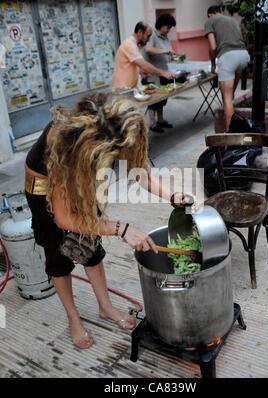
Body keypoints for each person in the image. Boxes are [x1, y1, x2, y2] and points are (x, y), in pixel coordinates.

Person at [24, 92, 193, 350]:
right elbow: (65, 218)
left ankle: (105, 307)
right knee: (58, 256)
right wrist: (121, 228)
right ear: (101, 148)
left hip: (80, 176)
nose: (124, 156)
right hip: (44, 186)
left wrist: (173, 195)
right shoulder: (61, 144)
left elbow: (141, 172)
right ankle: (73, 317)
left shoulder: (113, 122)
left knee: (91, 247)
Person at [204, 5, 250, 129]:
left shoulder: (210, 20)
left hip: (228, 57)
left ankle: (230, 135)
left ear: (210, 14)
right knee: (231, 95)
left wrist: (213, 64)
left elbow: (213, 47)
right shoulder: (232, 20)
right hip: (244, 55)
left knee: (227, 98)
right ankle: (234, 123)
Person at [111, 21, 175, 89]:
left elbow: (132, 63)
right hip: (122, 89)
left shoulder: (134, 44)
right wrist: (164, 73)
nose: (148, 40)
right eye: (148, 36)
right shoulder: (129, 45)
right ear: (140, 32)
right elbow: (144, 65)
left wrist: (140, 71)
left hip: (129, 88)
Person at [143, 14, 177, 133]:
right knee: (154, 99)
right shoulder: (152, 34)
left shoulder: (165, 37)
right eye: (168, 27)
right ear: (161, 25)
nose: (169, 30)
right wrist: (166, 50)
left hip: (164, 72)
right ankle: (152, 123)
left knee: (162, 98)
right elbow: (148, 49)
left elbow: (168, 52)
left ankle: (160, 120)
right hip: (153, 74)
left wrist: (173, 56)